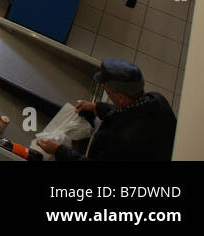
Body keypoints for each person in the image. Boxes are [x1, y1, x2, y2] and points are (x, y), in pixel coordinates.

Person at [38, 59, 176, 161]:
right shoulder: (157, 100)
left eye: (109, 93)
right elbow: (128, 113)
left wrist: (58, 150)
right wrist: (97, 108)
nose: (108, 95)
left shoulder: (120, 142)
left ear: (121, 97)